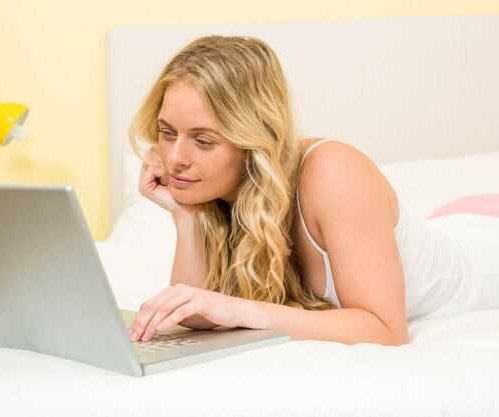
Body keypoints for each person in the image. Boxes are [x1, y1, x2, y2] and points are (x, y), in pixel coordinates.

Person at [127, 35, 499, 346]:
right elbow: (195, 317)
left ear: (255, 140)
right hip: (454, 221)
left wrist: (240, 310)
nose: (175, 158)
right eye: (168, 133)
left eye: (204, 141)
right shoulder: (218, 195)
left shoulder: (332, 171)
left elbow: (386, 331)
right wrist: (185, 215)